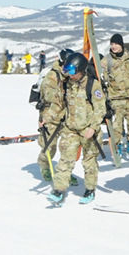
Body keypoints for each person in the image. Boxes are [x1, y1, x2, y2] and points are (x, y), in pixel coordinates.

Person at [46, 53, 107, 205]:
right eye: (68, 71)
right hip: (70, 128)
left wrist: (93, 128)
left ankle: (90, 189)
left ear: (81, 70)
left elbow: (100, 108)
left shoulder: (93, 85)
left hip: (88, 131)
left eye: (73, 72)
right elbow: (58, 104)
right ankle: (59, 190)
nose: (70, 75)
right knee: (65, 160)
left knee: (89, 162)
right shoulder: (66, 84)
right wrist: (47, 118)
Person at [36, 49, 77, 185]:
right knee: (50, 146)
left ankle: (65, 172)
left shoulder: (72, 76)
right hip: (51, 116)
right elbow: (51, 99)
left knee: (68, 147)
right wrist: (45, 119)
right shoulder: (52, 77)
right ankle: (44, 166)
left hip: (67, 116)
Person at [101, 33, 129, 160]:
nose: (114, 47)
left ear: (121, 45)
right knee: (116, 128)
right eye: (112, 44)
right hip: (115, 99)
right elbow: (101, 77)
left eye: (116, 44)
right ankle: (117, 149)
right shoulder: (106, 61)